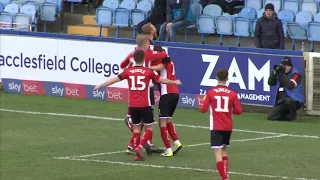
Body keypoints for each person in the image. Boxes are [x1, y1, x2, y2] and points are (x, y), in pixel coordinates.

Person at [94, 50, 182, 161]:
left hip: (133, 105)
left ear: (134, 59)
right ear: (144, 59)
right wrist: (174, 82)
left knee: (136, 129)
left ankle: (136, 152)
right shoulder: (148, 71)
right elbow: (162, 80)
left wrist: (99, 85)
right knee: (149, 127)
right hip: (145, 104)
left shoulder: (128, 71)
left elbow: (113, 80)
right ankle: (140, 146)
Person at [120, 34, 166, 154]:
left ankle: (132, 146)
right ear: (145, 44)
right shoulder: (147, 54)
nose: (150, 45)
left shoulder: (132, 54)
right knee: (147, 119)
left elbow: (122, 65)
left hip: (133, 91)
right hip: (146, 90)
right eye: (149, 43)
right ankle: (146, 143)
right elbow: (163, 55)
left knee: (138, 120)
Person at [200, 68, 242, 180]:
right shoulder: (233, 94)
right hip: (228, 126)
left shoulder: (210, 93)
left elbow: (203, 109)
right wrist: (229, 110)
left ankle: (224, 178)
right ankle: (225, 174)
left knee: (217, 154)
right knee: (224, 151)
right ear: (227, 78)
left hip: (216, 126)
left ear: (216, 78)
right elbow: (239, 111)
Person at [150, 54, 183, 157]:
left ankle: (168, 150)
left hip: (167, 94)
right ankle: (177, 143)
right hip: (175, 93)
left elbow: (159, 67)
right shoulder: (170, 62)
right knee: (168, 120)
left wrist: (146, 67)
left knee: (162, 122)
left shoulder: (164, 63)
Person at [267, 56, 304, 121]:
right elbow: (270, 83)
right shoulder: (280, 73)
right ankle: (287, 117)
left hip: (294, 100)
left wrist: (282, 74)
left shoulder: (296, 74)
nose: (284, 67)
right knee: (271, 117)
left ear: (290, 66)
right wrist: (274, 73)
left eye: (286, 66)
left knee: (288, 101)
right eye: (283, 65)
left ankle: (293, 116)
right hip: (281, 101)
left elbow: (290, 86)